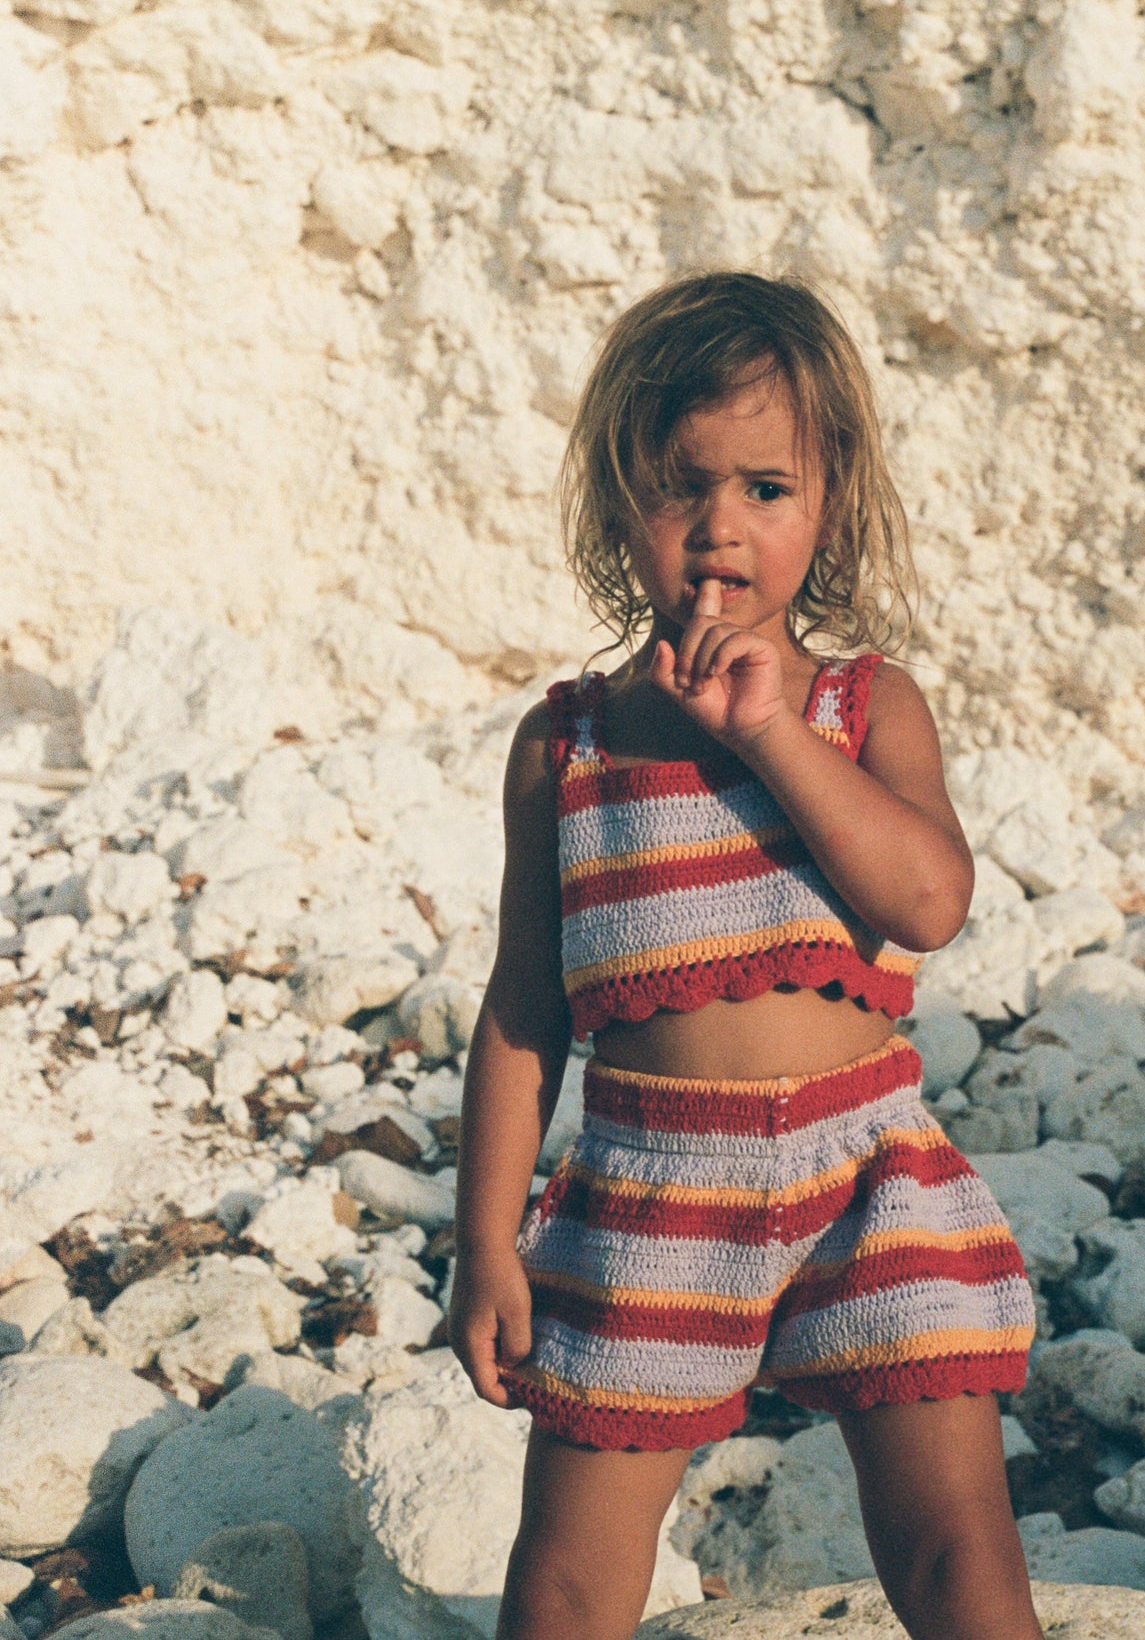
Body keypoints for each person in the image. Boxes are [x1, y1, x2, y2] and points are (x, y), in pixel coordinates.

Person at [448, 272, 1042, 1640]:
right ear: (617, 506)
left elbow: (928, 900)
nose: (721, 528)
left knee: (956, 1544)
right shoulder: (570, 745)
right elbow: (524, 1010)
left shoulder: (859, 708)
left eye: (767, 488)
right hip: (650, 1189)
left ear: (829, 504)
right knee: (571, 1571)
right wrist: (486, 1241)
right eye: (679, 485)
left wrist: (769, 734)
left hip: (867, 1174)